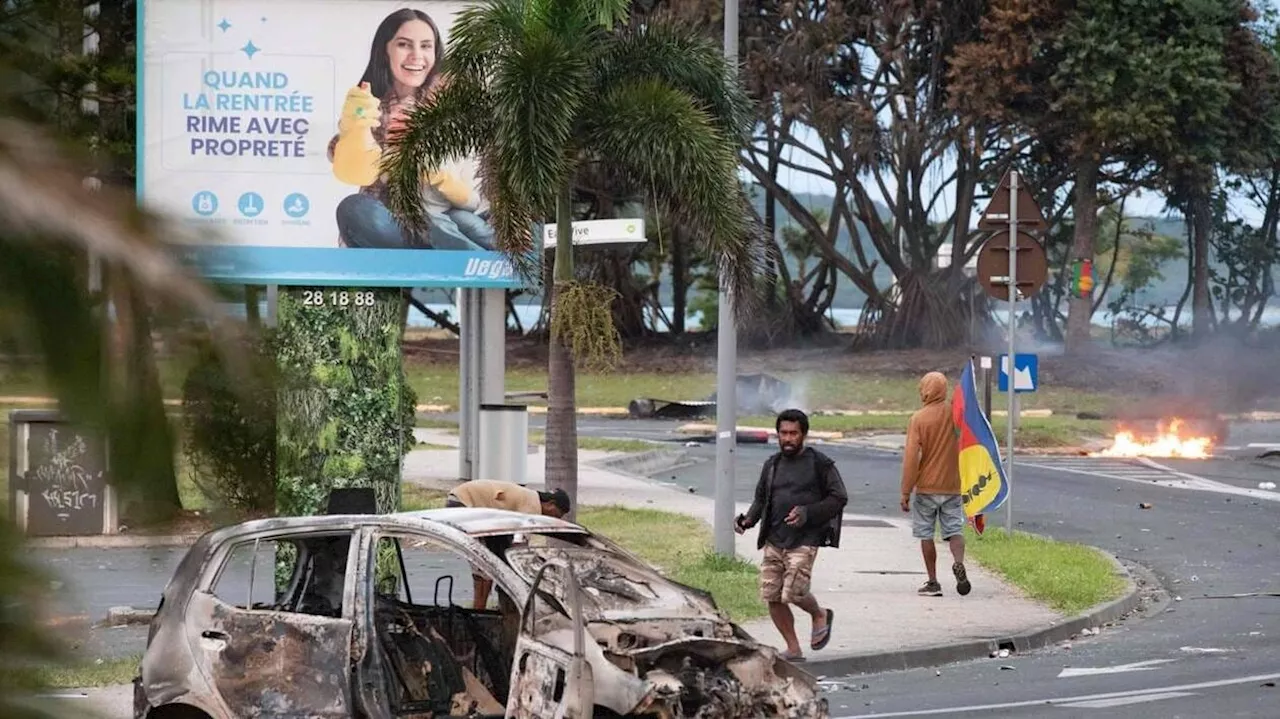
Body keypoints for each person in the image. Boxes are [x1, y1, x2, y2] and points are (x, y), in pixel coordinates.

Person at [328, 8, 496, 251]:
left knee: (472, 222)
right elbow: (356, 170)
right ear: (385, 51)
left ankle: (486, 262)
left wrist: (445, 180)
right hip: (400, 227)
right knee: (355, 209)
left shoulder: (456, 102)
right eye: (404, 45)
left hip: (455, 216)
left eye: (426, 46)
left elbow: (475, 185)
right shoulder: (369, 106)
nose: (416, 56)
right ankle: (448, 254)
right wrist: (359, 129)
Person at [735, 409, 848, 662]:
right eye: (783, 433)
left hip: (805, 539)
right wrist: (748, 520)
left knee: (794, 592)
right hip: (775, 538)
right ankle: (793, 648)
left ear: (803, 435)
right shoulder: (772, 465)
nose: (788, 438)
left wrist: (808, 513)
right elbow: (761, 499)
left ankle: (819, 614)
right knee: (772, 596)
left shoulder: (820, 463)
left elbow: (839, 497)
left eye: (793, 433)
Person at [444, 479, 571, 609]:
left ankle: (485, 607)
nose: (554, 519)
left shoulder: (527, 497)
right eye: (557, 515)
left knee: (496, 558)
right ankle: (479, 610)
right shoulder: (533, 507)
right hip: (464, 503)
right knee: (485, 568)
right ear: (550, 504)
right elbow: (519, 545)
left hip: (464, 500)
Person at [900, 371, 971, 597]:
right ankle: (958, 562)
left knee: (926, 534)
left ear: (925, 389)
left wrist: (905, 491)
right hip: (953, 485)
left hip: (927, 488)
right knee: (954, 530)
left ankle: (932, 582)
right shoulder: (957, 415)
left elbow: (912, 457)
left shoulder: (918, 419)